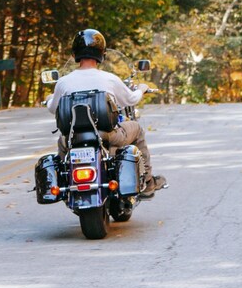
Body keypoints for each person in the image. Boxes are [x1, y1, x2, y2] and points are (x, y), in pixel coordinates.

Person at [46, 29, 166, 197]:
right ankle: (147, 181)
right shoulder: (109, 79)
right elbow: (130, 100)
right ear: (101, 54)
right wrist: (141, 89)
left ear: (74, 55)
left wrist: (50, 97)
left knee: (62, 142)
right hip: (108, 136)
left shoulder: (63, 82)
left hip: (73, 138)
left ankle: (63, 180)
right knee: (137, 129)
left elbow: (53, 108)